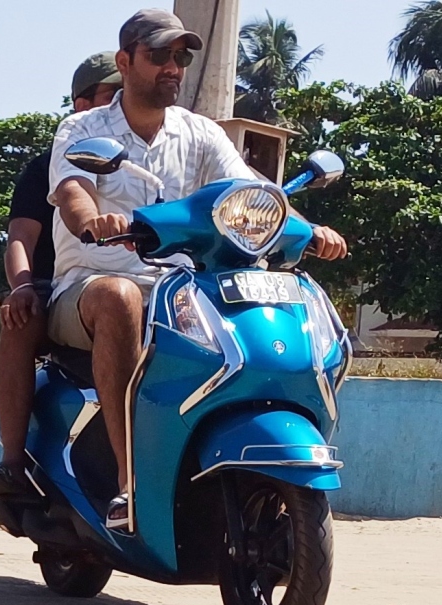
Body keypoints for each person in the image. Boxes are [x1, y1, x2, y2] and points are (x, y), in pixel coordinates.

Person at [45, 8, 347, 529]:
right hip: (89, 287)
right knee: (121, 297)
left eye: (180, 57)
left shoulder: (200, 133)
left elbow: (253, 193)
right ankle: (127, 482)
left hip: (176, 290)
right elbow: (74, 190)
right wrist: (93, 220)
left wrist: (307, 227)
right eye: (158, 55)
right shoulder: (83, 128)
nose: (173, 66)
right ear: (125, 61)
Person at [0, 53, 123, 504]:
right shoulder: (47, 167)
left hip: (147, 285)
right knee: (20, 319)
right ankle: (13, 463)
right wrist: (20, 287)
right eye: (110, 95)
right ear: (81, 104)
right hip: (60, 288)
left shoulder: (161, 159)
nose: (119, 105)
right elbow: (21, 236)